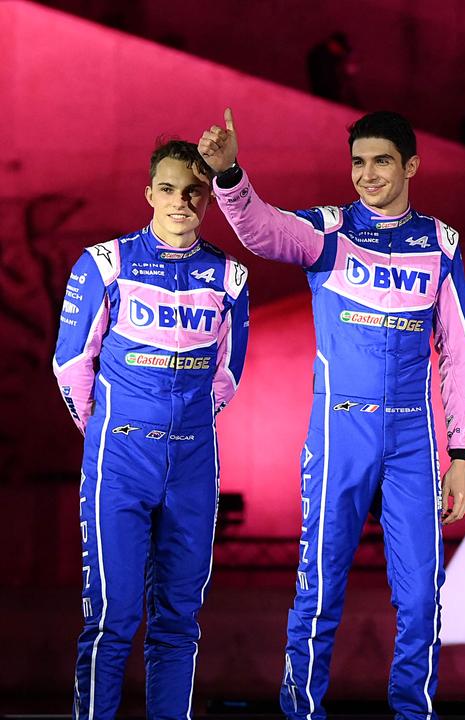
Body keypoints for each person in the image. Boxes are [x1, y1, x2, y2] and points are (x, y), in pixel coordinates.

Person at [197, 108, 465, 719]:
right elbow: (262, 230)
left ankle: (415, 712)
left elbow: (457, 351)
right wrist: (230, 176)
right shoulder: (329, 230)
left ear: (411, 166)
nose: (367, 175)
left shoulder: (441, 242)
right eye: (358, 162)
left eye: (381, 162)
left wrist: (461, 451)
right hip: (340, 428)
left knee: (423, 593)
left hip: (413, 437)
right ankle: (302, 710)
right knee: (319, 585)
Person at [53, 139, 250, 718]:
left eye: (193, 191)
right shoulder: (104, 263)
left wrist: (183, 428)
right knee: (113, 617)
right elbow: (71, 365)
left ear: (208, 199)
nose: (181, 202)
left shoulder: (231, 275)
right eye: (168, 189)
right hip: (118, 462)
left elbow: (228, 373)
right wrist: (109, 434)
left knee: (179, 621)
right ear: (149, 194)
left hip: (192, 467)